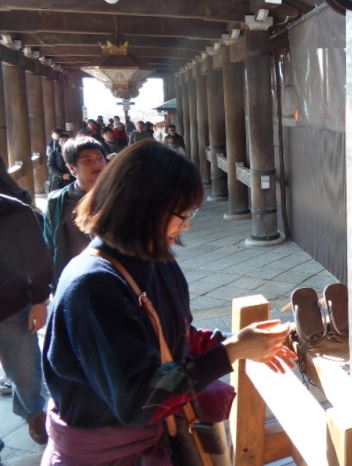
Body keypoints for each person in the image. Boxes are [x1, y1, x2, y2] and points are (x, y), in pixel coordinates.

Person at [41, 140, 296, 464]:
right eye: (182, 213)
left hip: (159, 439)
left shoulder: (157, 261)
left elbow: (175, 338)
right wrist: (231, 352)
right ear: (142, 208)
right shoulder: (93, 286)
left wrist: (242, 342)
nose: (187, 224)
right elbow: (139, 400)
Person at [0, 191, 52, 457]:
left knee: (25, 370)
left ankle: (33, 413)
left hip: (12, 305)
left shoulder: (16, 211)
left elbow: (38, 259)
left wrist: (39, 300)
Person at [43, 136, 107, 289]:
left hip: (116, 278)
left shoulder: (121, 196)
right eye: (87, 160)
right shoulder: (57, 202)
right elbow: (49, 245)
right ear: (71, 168)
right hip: (75, 280)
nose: (97, 164)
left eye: (100, 158)